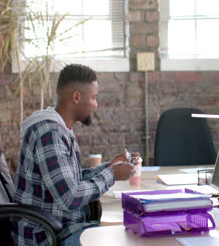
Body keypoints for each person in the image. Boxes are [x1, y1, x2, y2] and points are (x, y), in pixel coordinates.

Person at [10, 64, 137, 246]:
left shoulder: (59, 129)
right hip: (47, 237)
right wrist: (113, 174)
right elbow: (70, 197)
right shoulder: (50, 134)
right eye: (93, 98)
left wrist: (110, 166)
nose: (96, 104)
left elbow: (71, 181)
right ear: (76, 97)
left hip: (63, 227)